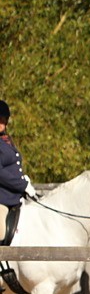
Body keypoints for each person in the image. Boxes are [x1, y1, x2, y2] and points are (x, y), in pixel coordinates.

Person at [0, 100, 39, 243]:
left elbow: (13, 166)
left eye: (3, 120)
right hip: (1, 199)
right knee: (0, 232)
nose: (1, 123)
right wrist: (22, 185)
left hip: (15, 197)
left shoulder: (6, 141)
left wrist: (24, 179)